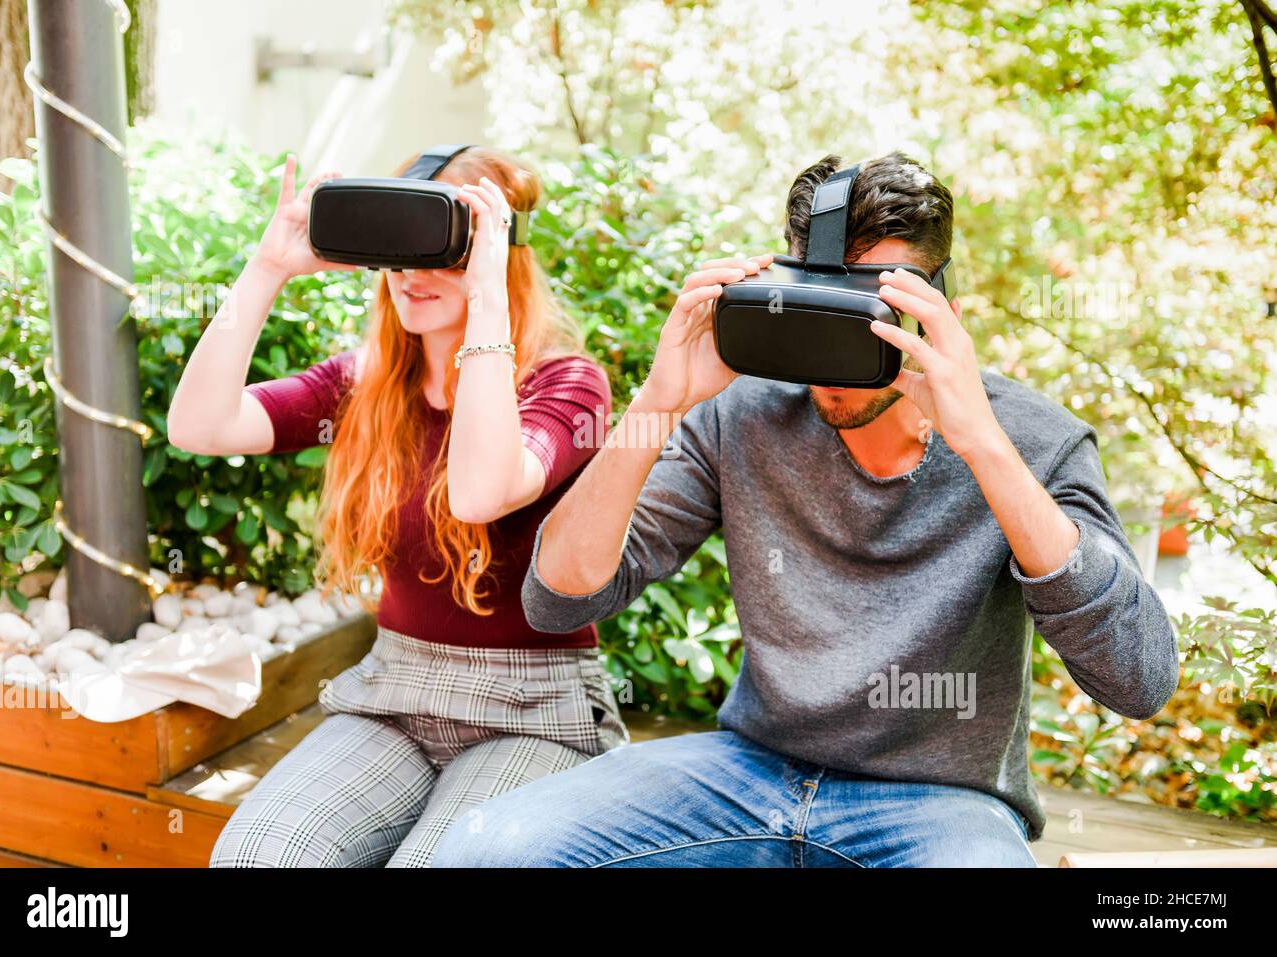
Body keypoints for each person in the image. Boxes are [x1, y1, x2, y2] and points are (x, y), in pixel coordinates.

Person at [431, 152, 1179, 868]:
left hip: (939, 800)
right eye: (821, 306)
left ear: (937, 308)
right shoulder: (746, 408)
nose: (832, 357)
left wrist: (980, 441)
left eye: (865, 313)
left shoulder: (1031, 440)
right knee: (482, 849)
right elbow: (559, 597)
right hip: (747, 771)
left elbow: (1138, 679)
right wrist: (660, 402)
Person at [168, 146, 626, 868]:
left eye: (444, 247)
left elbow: (481, 491)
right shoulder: (362, 387)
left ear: (498, 254)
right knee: (257, 855)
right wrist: (267, 271)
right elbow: (198, 426)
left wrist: (485, 297)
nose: (414, 273)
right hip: (394, 694)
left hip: (535, 712)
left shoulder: (567, 384)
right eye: (401, 248)